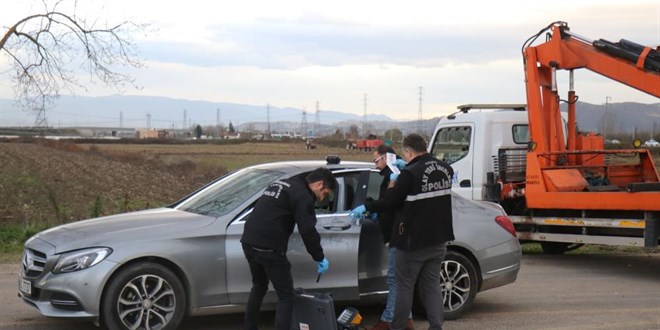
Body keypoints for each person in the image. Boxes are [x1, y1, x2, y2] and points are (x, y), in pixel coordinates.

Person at [351, 134, 454, 330]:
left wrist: (374, 201)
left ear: (408, 151)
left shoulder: (409, 174)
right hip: (439, 240)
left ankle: (398, 326)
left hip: (413, 241)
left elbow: (390, 201)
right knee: (431, 286)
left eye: (405, 155)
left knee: (404, 286)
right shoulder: (445, 169)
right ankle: (436, 327)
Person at [240, 167, 337, 330]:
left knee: (259, 286)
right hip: (269, 248)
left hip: (249, 241)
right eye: (325, 193)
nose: (323, 198)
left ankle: (249, 327)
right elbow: (307, 230)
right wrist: (319, 257)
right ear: (319, 184)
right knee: (286, 296)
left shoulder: (285, 183)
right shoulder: (303, 196)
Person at [351, 144, 413, 330]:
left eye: (376, 160)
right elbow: (388, 205)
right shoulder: (389, 176)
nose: (375, 165)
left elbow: (389, 200)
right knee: (400, 278)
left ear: (386, 158)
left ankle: (387, 320)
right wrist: (377, 213)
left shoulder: (396, 177)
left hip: (399, 234)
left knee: (395, 278)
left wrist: (369, 207)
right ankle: (407, 318)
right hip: (394, 233)